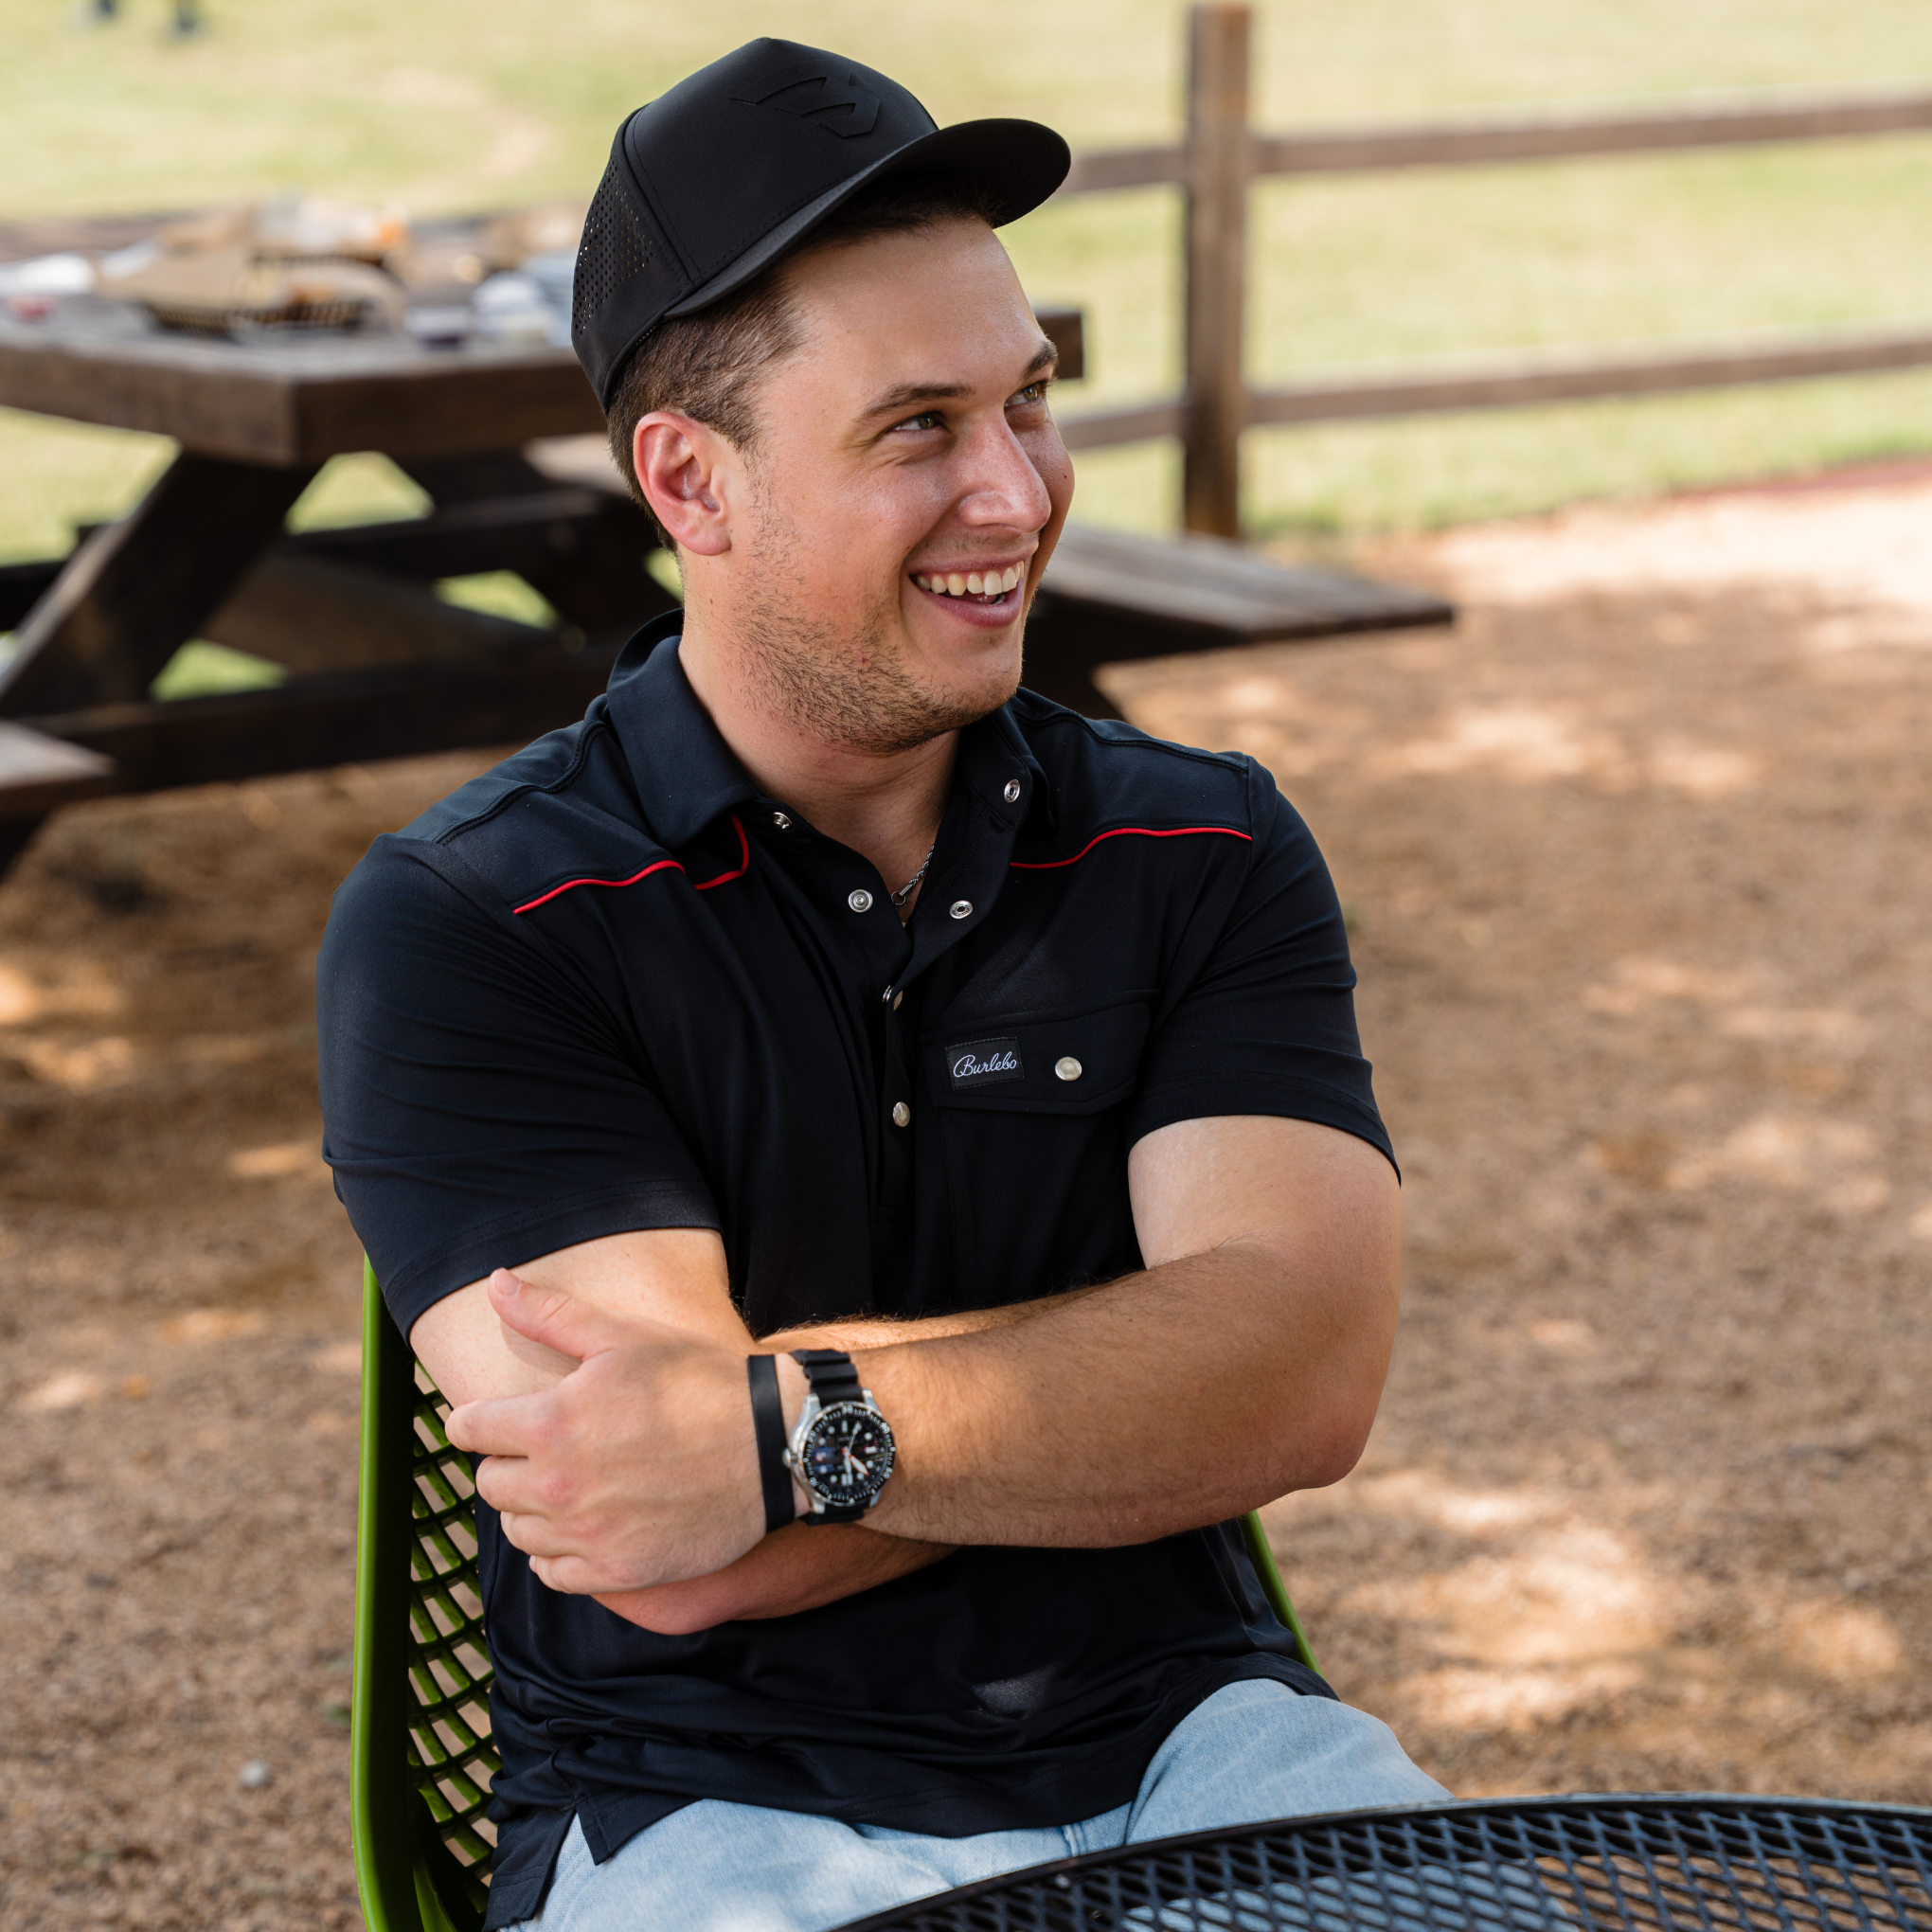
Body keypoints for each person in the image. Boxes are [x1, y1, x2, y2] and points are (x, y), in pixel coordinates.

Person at [317, 37, 1447, 1932]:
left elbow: (1302, 1380)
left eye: (1029, 401)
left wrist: (781, 1438)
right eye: (918, 428)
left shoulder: (1203, 845)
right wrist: (1131, 1378)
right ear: (693, 483)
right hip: (702, 1814)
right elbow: (662, 1541)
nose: (1015, 493)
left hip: (1197, 1747)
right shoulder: (479, 919)